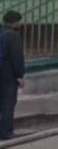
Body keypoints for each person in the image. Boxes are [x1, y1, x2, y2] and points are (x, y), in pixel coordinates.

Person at [0, 11, 25, 141]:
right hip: (8, 76)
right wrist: (19, 76)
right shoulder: (14, 36)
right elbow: (17, 58)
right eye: (19, 21)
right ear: (14, 22)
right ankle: (6, 132)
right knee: (8, 103)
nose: (21, 23)